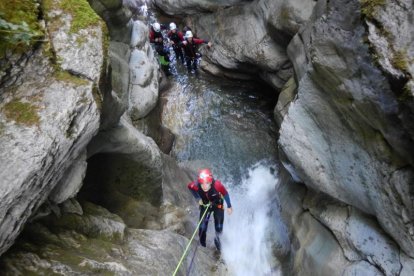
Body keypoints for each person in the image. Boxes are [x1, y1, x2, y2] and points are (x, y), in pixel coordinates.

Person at [187, 168, 232, 251]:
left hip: (217, 205)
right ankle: (202, 245)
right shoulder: (196, 185)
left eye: (207, 183)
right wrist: (198, 198)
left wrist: (229, 206)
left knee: (219, 227)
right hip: (205, 204)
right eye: (202, 184)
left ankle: (217, 242)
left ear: (211, 182)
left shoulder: (218, 185)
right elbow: (189, 187)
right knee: (202, 228)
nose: (204, 186)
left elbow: (225, 194)